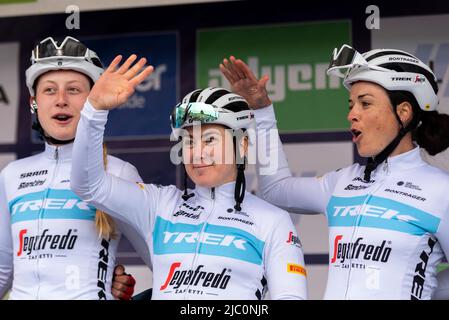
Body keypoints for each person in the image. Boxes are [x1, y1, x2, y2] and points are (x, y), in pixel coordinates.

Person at [69, 52, 308, 299]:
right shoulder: (159, 205)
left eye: (210, 140)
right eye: (189, 142)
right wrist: (94, 110)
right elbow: (87, 185)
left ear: (243, 146)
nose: (197, 153)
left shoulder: (272, 221)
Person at [219, 45, 449, 299]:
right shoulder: (342, 182)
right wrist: (261, 111)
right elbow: (276, 190)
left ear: (403, 113)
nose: (352, 114)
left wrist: (424, 290)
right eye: (351, 104)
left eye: (365, 104)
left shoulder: (440, 191)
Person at [0, 36, 149, 300]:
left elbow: (165, 263)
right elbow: (2, 271)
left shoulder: (118, 173)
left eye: (73, 90)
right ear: (33, 102)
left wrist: (112, 286)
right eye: (49, 90)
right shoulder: (12, 175)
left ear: (93, 100)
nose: (60, 100)